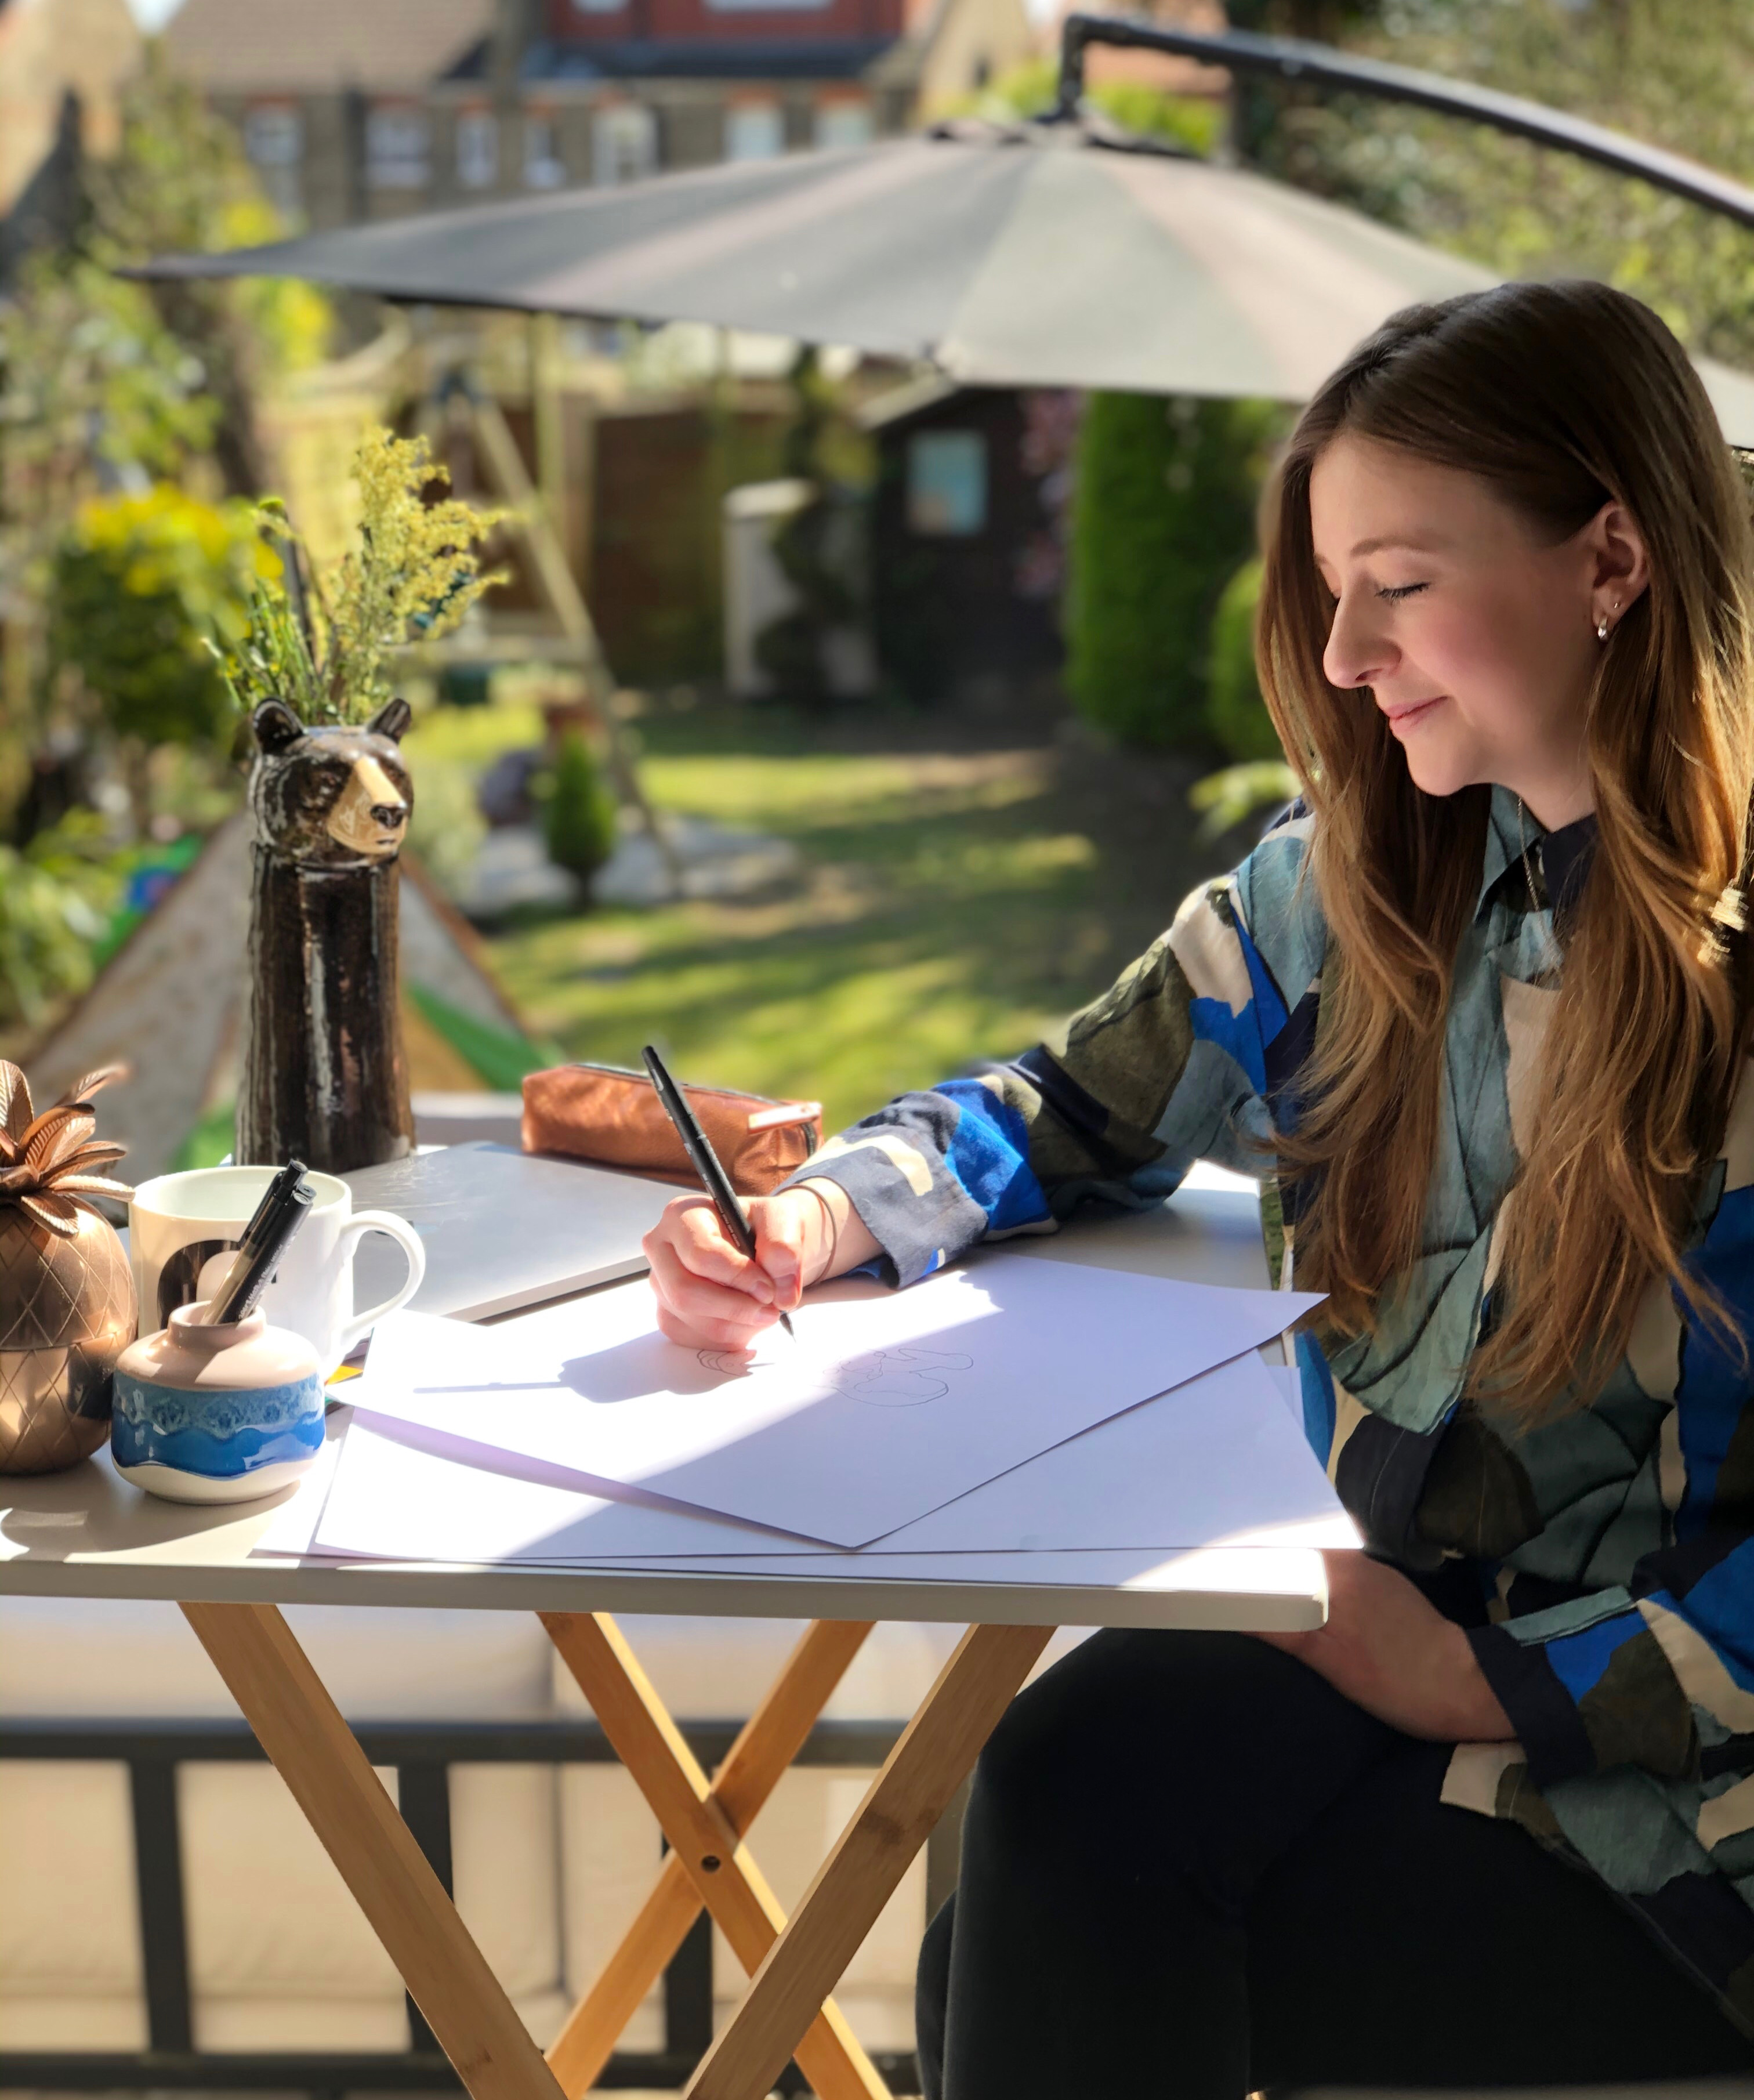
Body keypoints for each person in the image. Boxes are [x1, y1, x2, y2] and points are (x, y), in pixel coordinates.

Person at [642, 281, 1754, 2094]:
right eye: (1332, 595)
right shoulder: (1334, 902)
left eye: (1398, 584)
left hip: (1688, 1792)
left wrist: (1484, 1690)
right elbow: (1062, 1105)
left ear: (1612, 556)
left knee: (1108, 1927)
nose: (1342, 655)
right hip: (1378, 1628)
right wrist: (826, 1216)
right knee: (1050, 1799)